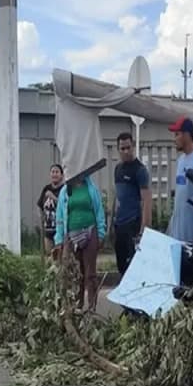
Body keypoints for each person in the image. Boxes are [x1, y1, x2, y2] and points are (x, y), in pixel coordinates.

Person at [54, 173, 107, 311]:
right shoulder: (65, 191)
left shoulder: (91, 188)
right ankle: (77, 307)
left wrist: (101, 233)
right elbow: (59, 216)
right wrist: (59, 238)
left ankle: (91, 307)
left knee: (90, 273)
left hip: (90, 232)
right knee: (76, 274)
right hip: (71, 236)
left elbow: (99, 211)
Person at [112, 132, 151, 275]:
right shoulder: (118, 169)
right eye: (122, 148)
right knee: (121, 266)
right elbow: (117, 197)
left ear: (133, 146)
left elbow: (146, 201)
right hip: (119, 225)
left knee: (134, 268)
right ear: (118, 149)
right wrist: (112, 223)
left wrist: (143, 230)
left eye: (128, 148)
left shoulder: (140, 170)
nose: (126, 151)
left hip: (133, 224)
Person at [36, 164, 65, 256]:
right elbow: (39, 205)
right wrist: (41, 216)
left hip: (60, 229)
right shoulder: (46, 188)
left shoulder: (64, 189)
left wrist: (53, 197)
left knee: (59, 256)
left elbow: (65, 205)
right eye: (53, 172)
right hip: (48, 229)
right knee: (49, 256)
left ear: (61, 175)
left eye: (57, 172)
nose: (54, 174)